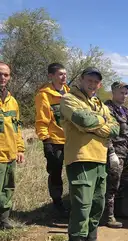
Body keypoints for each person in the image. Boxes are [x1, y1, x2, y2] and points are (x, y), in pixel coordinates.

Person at [60, 67, 119, 241]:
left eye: (96, 81)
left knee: (97, 204)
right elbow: (82, 120)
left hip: (99, 158)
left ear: (99, 85)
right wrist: (99, 123)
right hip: (80, 158)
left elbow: (115, 128)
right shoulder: (69, 99)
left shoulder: (100, 104)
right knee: (82, 207)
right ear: (81, 80)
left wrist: (96, 124)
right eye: (89, 80)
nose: (92, 84)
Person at [35, 63, 69, 217]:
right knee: (56, 173)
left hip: (71, 140)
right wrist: (46, 140)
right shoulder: (44, 95)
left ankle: (74, 202)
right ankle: (57, 203)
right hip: (54, 141)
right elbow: (41, 120)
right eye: (60, 74)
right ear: (51, 76)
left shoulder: (69, 93)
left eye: (65, 74)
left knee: (75, 171)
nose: (64, 77)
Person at [102, 81, 128, 228]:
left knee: (123, 182)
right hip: (115, 152)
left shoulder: (124, 110)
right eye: (121, 92)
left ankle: (119, 210)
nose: (124, 95)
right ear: (113, 93)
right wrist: (111, 153)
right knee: (112, 185)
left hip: (125, 151)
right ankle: (109, 216)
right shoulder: (108, 109)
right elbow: (106, 133)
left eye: (126, 93)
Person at [0, 61, 25, 230]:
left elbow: (17, 127)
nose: (2, 77)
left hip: (10, 154)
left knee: (7, 188)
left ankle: (4, 220)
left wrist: (20, 149)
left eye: (6, 74)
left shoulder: (12, 101)